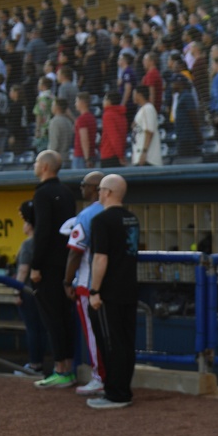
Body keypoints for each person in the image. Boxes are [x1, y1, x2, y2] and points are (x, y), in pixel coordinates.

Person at [87, 174, 140, 409]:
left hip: (109, 291)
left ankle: (116, 393)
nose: (98, 193)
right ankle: (123, 390)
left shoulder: (101, 220)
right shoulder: (132, 219)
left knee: (111, 342)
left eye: (100, 189)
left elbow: (100, 258)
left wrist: (94, 290)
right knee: (126, 342)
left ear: (107, 192)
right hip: (129, 287)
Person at [31, 150, 77, 388]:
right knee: (65, 317)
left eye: (37, 162)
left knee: (52, 318)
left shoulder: (43, 194)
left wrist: (35, 265)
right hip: (67, 265)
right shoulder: (67, 193)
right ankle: (68, 367)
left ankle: (61, 369)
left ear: (46, 167)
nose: (34, 165)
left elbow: (43, 232)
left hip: (49, 266)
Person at [64, 172, 106, 397]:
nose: (81, 188)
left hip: (88, 285)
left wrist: (66, 281)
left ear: (97, 188)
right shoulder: (120, 213)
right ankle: (112, 377)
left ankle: (100, 377)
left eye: (84, 185)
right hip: (114, 284)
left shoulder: (87, 215)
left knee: (93, 333)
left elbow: (75, 254)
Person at [14, 200, 49, 377]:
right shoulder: (45, 240)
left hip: (28, 292)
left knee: (33, 329)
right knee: (40, 329)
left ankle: (35, 365)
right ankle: (38, 364)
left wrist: (16, 291)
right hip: (43, 292)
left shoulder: (29, 243)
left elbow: (23, 270)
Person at [132, 85, 161, 167]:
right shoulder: (143, 109)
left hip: (148, 159)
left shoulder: (147, 108)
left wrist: (144, 152)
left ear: (139, 95)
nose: (133, 96)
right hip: (143, 158)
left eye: (134, 93)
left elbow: (149, 131)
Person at [99, 91, 127, 167]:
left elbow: (114, 137)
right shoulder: (122, 115)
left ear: (110, 101)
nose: (103, 101)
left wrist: (120, 156)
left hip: (109, 155)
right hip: (118, 154)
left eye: (105, 99)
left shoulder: (108, 115)